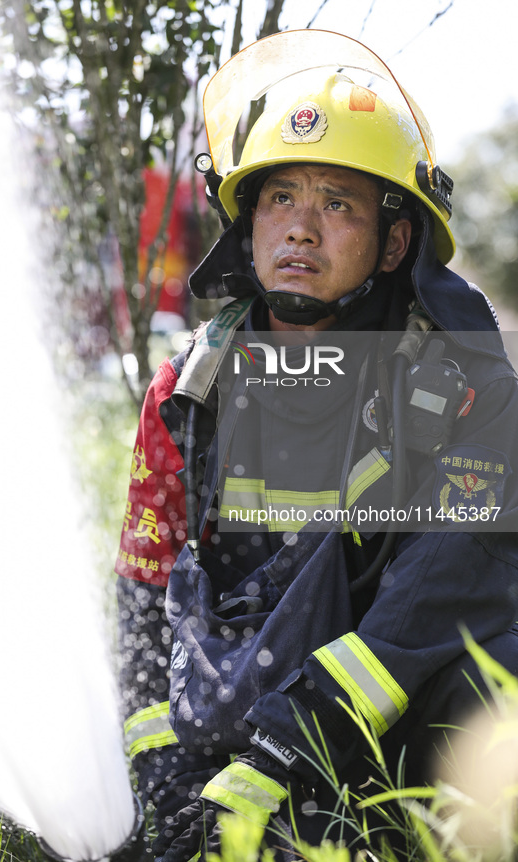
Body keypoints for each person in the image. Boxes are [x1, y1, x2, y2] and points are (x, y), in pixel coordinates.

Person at [115, 30, 518, 860]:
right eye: (278, 199)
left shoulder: (464, 394)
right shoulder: (186, 390)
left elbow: (440, 594)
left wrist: (285, 747)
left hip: (373, 724)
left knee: (496, 676)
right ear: (248, 221)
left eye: (337, 203)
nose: (300, 229)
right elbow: (141, 593)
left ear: (395, 240)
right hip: (224, 718)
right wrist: (158, 776)